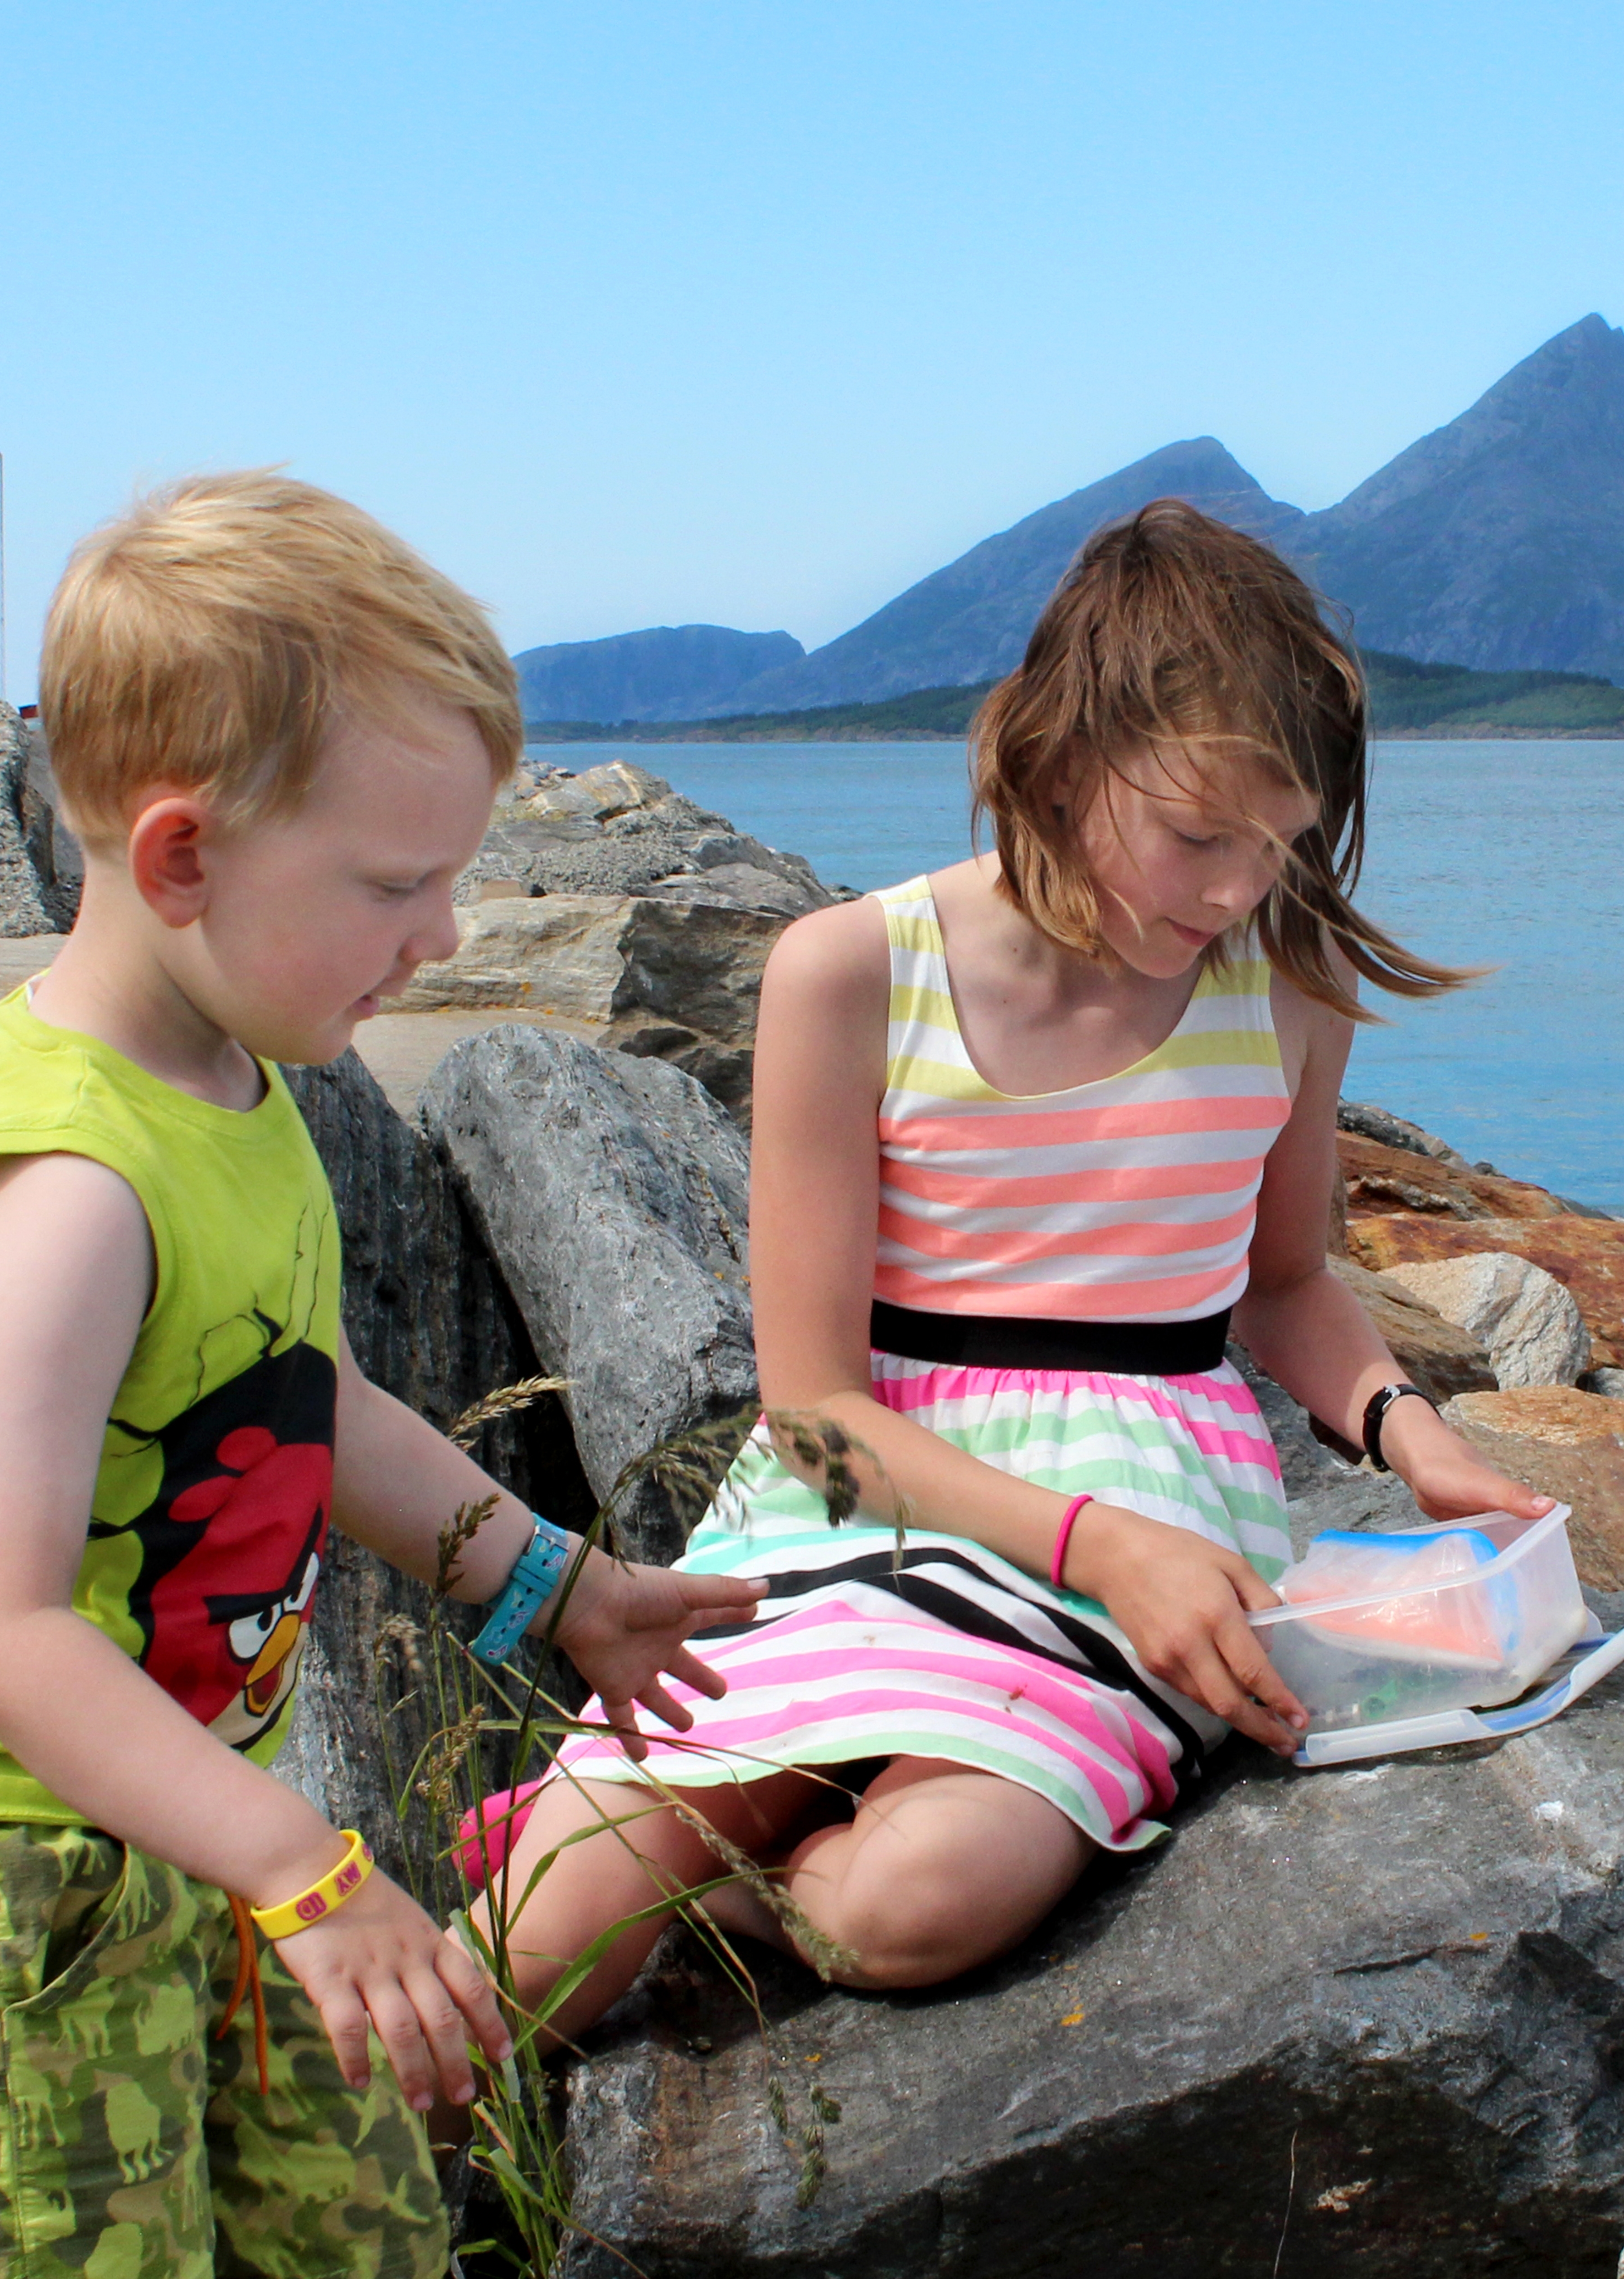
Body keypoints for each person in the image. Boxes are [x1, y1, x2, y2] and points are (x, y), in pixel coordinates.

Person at [0, 471, 763, 2279]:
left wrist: (552, 1586)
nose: (442, 934)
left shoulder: (237, 1085)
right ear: (181, 857)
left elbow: (306, 1402)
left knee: (317, 2258)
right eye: (389, 882)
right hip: (23, 1890)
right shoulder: (70, 1184)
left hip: (218, 1818)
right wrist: (313, 1873)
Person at [470, 499, 1549, 2040]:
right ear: (1058, 751)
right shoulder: (852, 971)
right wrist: (1091, 1545)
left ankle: (734, 1890)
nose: (1241, 890)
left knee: (909, 1908)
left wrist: (1410, 1434)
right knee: (529, 1949)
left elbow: (1288, 1281)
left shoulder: (1288, 991)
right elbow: (816, 1417)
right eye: (1199, 836)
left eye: (1281, 845)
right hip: (859, 1496)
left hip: (1156, 1499)